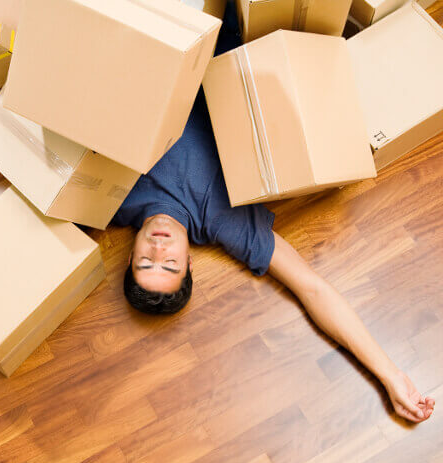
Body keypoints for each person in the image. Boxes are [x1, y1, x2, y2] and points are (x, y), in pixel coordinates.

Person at [112, 3, 435, 424]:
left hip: (153, 24)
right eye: (168, 263)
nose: (158, 247)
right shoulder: (221, 220)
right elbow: (312, 288)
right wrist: (391, 377)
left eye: (145, 261)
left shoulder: (111, 202)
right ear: (189, 261)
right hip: (223, 21)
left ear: (131, 253)